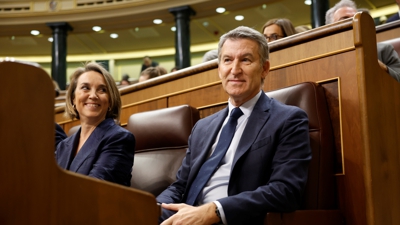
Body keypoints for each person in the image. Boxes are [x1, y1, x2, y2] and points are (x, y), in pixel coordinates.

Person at [156, 26, 311, 225]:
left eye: (245, 60)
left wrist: (216, 210)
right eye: (227, 60)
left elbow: (285, 190)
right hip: (187, 216)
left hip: (233, 218)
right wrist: (155, 207)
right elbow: (181, 186)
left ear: (264, 68)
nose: (235, 70)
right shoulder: (203, 127)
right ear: (219, 69)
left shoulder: (288, 119)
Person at [56, 62, 135, 187]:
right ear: (73, 99)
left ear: (110, 101)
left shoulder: (119, 139)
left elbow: (95, 191)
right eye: (85, 88)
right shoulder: (63, 146)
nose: (93, 96)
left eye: (102, 90)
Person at [325, 0, 400, 82]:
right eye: (345, 19)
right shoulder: (326, 59)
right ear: (331, 29)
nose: (354, 23)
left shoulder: (384, 50)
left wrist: (376, 64)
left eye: (356, 19)